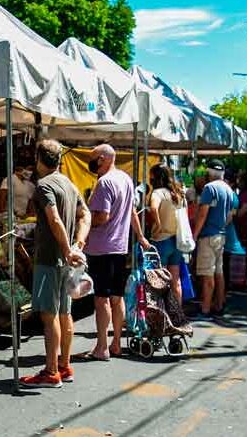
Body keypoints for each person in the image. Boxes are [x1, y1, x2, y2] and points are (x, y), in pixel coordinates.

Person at [19, 140, 90, 388]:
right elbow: (85, 215)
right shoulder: (69, 184)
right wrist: (77, 245)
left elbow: (54, 219)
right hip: (68, 259)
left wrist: (68, 249)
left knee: (50, 317)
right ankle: (64, 366)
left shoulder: (44, 185)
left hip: (51, 258)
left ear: (39, 159)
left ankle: (51, 372)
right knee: (64, 312)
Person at [80, 144, 150, 361]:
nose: (91, 162)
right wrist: (140, 236)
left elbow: (103, 217)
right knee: (116, 298)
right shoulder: (125, 179)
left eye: (93, 159)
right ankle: (116, 343)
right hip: (120, 247)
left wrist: (84, 221)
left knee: (101, 300)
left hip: (102, 249)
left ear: (102, 159)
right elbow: (132, 211)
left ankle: (102, 348)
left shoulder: (104, 182)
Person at [192, 159, 233, 321]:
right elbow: (230, 215)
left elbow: (202, 214)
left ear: (209, 172)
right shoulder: (228, 189)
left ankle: (206, 309)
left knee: (207, 273)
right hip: (221, 235)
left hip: (208, 235)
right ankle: (219, 304)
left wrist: (194, 234)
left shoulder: (210, 188)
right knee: (218, 272)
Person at [148, 164, 186, 305]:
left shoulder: (158, 193)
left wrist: (157, 225)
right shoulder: (177, 193)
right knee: (175, 280)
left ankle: (162, 314)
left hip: (161, 239)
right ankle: (177, 314)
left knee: (160, 280)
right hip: (176, 240)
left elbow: (153, 208)